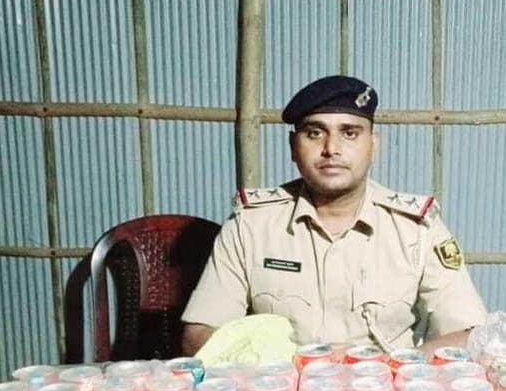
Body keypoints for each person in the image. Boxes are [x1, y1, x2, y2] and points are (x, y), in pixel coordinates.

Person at [181, 75, 487, 359]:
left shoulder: (417, 229)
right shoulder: (251, 225)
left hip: (383, 389)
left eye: (349, 133)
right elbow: (199, 334)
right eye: (315, 133)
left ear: (373, 146)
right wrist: (293, 364)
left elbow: (467, 335)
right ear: (293, 147)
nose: (331, 149)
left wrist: (383, 366)